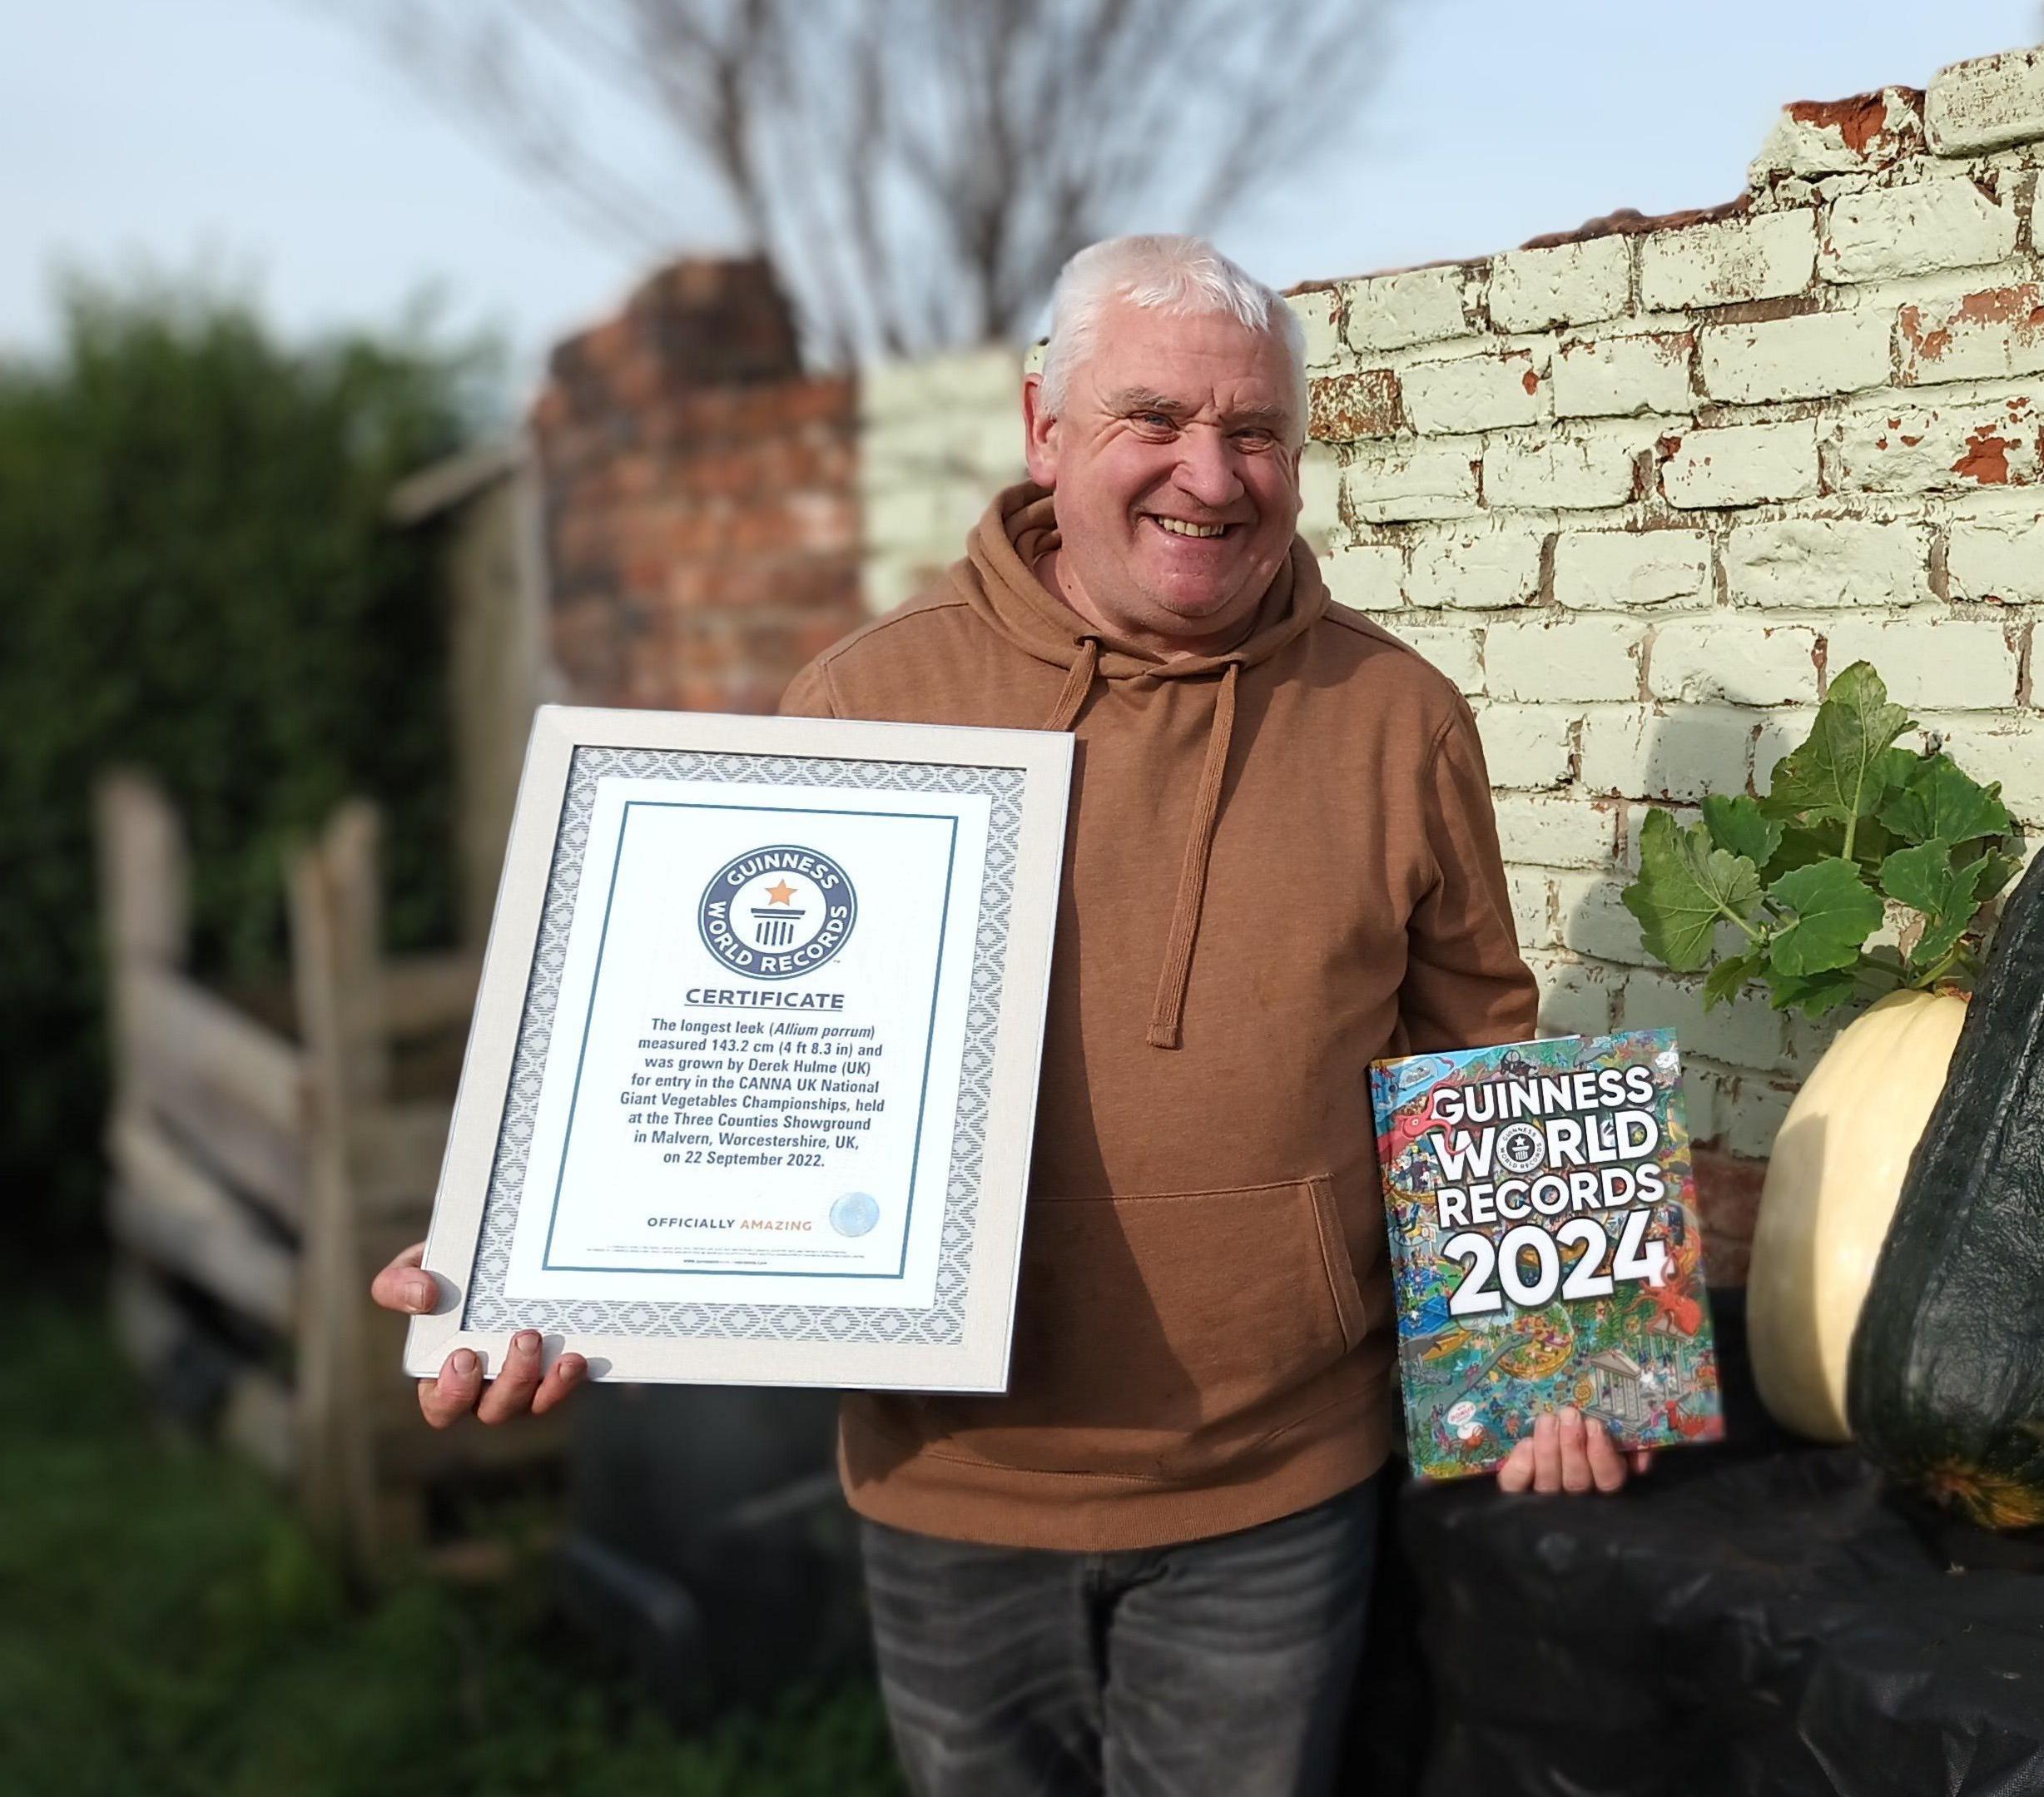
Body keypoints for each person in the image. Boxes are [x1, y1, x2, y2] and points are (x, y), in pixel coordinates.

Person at [372, 233, 1650, 1797]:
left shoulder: (1398, 720)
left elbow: (1478, 1045)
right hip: (950, 1489)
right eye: (1155, 421)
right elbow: (714, 1041)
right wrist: (517, 1271)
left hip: (1278, 1487)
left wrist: (1556, 1351)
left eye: (1255, 432)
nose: (1212, 472)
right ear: (1044, 426)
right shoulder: (868, 704)